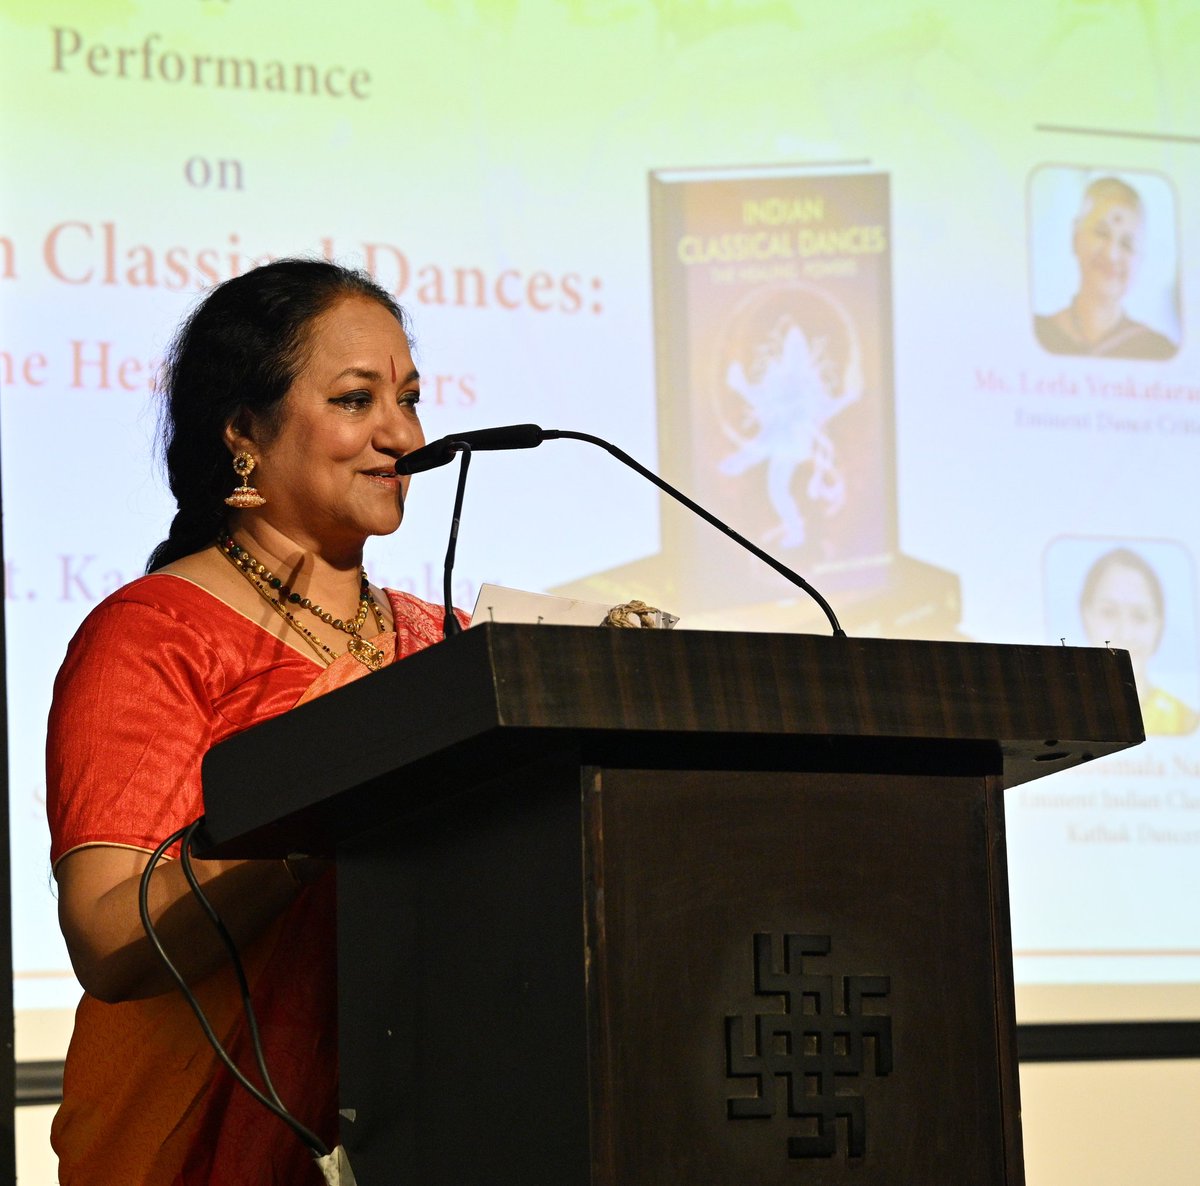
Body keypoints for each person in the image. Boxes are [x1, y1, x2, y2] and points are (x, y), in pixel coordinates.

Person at [46, 258, 466, 1184]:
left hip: (444, 1126)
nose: (404, 434)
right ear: (243, 429)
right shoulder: (153, 635)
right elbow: (112, 942)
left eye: (410, 397)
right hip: (215, 1155)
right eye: (358, 401)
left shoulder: (451, 646)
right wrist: (312, 814)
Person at [1035, 176, 1177, 360]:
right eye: (1102, 233)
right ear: (1076, 237)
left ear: (1140, 261)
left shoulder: (1160, 352)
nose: (1112, 254)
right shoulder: (1038, 333)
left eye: (1127, 244)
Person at [1079, 546, 1198, 736]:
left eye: (1140, 616)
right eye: (1109, 612)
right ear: (1086, 616)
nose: (1125, 633)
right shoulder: (1065, 716)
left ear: (1158, 624)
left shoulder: (1187, 724)